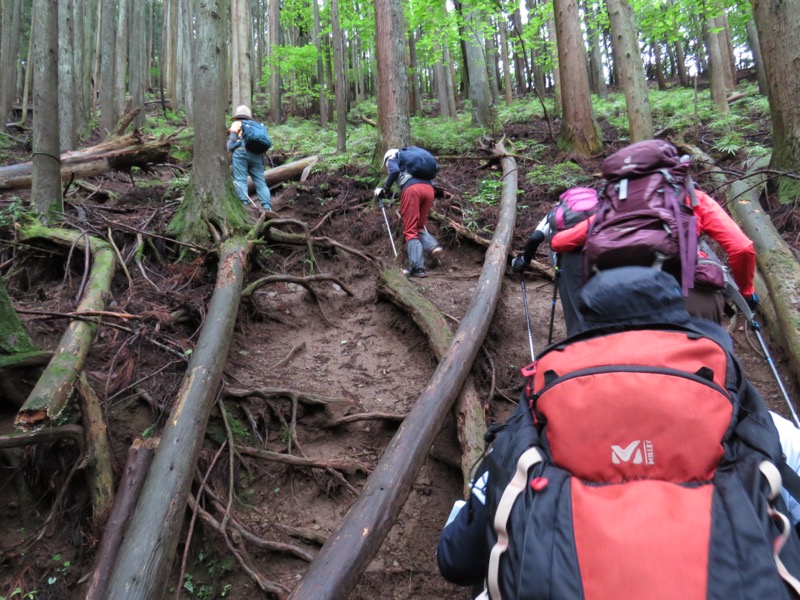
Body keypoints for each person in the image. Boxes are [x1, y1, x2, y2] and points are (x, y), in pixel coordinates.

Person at [437, 266, 800, 597]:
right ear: (680, 317)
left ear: (583, 320)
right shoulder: (742, 406)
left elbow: (455, 559)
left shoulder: (537, 406)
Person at [515, 182, 757, 333]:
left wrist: (528, 259)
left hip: (641, 296)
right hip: (700, 292)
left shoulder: (618, 205)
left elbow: (558, 241)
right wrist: (745, 292)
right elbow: (742, 248)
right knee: (708, 362)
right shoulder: (695, 198)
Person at [511, 187, 598, 335]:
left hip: (568, 262)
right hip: (599, 256)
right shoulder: (598, 210)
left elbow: (535, 238)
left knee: (574, 308)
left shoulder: (556, 213)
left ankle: (579, 344)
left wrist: (524, 261)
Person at [374, 147, 445, 278]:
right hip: (429, 190)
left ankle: (418, 268)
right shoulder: (415, 161)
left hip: (413, 190)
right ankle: (433, 246)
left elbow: (394, 171)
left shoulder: (392, 157)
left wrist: (384, 189)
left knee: (410, 229)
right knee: (419, 226)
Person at [227, 104, 272, 212]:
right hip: (257, 155)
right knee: (260, 182)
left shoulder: (237, 123)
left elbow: (232, 139)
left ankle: (244, 205)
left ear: (237, 116)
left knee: (241, 179)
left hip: (241, 153)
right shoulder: (255, 125)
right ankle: (267, 207)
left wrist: (226, 152)